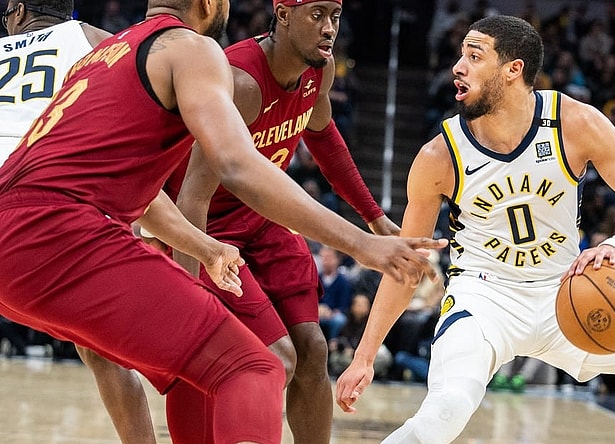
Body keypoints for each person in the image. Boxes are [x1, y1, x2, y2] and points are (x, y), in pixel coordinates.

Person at [0, 1, 445, 443]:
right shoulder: (199, 53)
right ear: (210, 3)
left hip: (22, 231)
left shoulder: (106, 51)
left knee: (272, 356)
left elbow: (135, 189)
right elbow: (232, 167)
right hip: (74, 229)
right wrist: (362, 244)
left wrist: (204, 250)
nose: (329, 27)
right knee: (257, 367)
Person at [336, 16, 615, 444]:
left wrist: (614, 248)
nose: (457, 66)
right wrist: (364, 355)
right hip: (483, 300)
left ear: (514, 69)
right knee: (446, 410)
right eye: (460, 55)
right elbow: (408, 265)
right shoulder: (439, 155)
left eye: (474, 56)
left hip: (567, 294)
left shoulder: (575, 122)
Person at [164, 1, 403, 441]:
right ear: (282, 13)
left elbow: (324, 135)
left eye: (335, 14)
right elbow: (190, 198)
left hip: (265, 222)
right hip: (207, 231)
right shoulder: (240, 82)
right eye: (317, 15)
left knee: (313, 349)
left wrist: (374, 217)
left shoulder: (319, 71)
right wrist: (189, 297)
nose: (329, 28)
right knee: (271, 357)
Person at [0, 2, 158, 442]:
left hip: (18, 201)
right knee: (104, 353)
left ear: (17, 10)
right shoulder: (98, 43)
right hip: (59, 208)